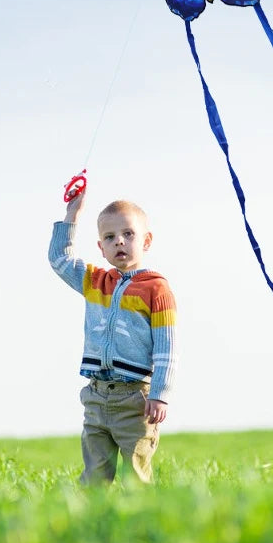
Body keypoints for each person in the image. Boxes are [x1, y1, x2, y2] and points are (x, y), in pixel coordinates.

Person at [48, 189, 177, 485]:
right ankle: (91, 522)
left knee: (136, 477)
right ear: (101, 247)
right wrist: (73, 214)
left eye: (128, 234)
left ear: (146, 241)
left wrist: (160, 394)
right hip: (96, 395)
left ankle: (140, 527)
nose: (119, 240)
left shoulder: (157, 290)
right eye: (109, 237)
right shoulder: (95, 282)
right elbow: (59, 258)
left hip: (136, 399)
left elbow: (166, 349)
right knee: (94, 475)